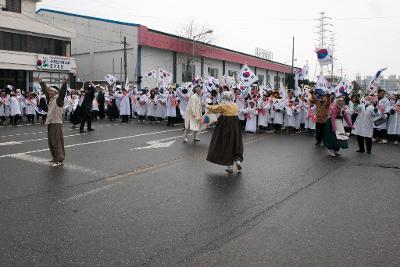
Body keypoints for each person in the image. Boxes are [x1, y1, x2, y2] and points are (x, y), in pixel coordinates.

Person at [206, 91, 243, 174]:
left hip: (225, 125)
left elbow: (214, 109)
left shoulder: (223, 105)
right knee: (236, 143)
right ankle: (237, 160)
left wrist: (206, 105)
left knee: (225, 144)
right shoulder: (235, 105)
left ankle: (229, 167)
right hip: (235, 125)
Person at [38, 77, 68, 167]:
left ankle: (60, 160)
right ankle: (54, 157)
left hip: (56, 123)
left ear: (56, 92)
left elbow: (62, 93)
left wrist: (64, 84)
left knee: (57, 141)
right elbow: (46, 91)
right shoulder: (51, 99)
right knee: (51, 141)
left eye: (51, 91)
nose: (49, 92)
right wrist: (41, 83)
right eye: (49, 91)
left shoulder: (59, 99)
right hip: (50, 122)